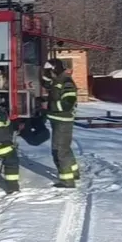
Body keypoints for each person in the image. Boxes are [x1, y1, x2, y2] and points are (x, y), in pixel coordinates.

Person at [41, 58, 80, 188]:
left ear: (55, 70)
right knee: (65, 148)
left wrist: (49, 105)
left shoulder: (66, 82)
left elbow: (68, 103)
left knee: (59, 150)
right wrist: (45, 75)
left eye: (50, 71)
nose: (49, 74)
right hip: (59, 120)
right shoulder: (58, 80)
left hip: (63, 121)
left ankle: (67, 180)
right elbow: (47, 85)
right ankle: (74, 172)